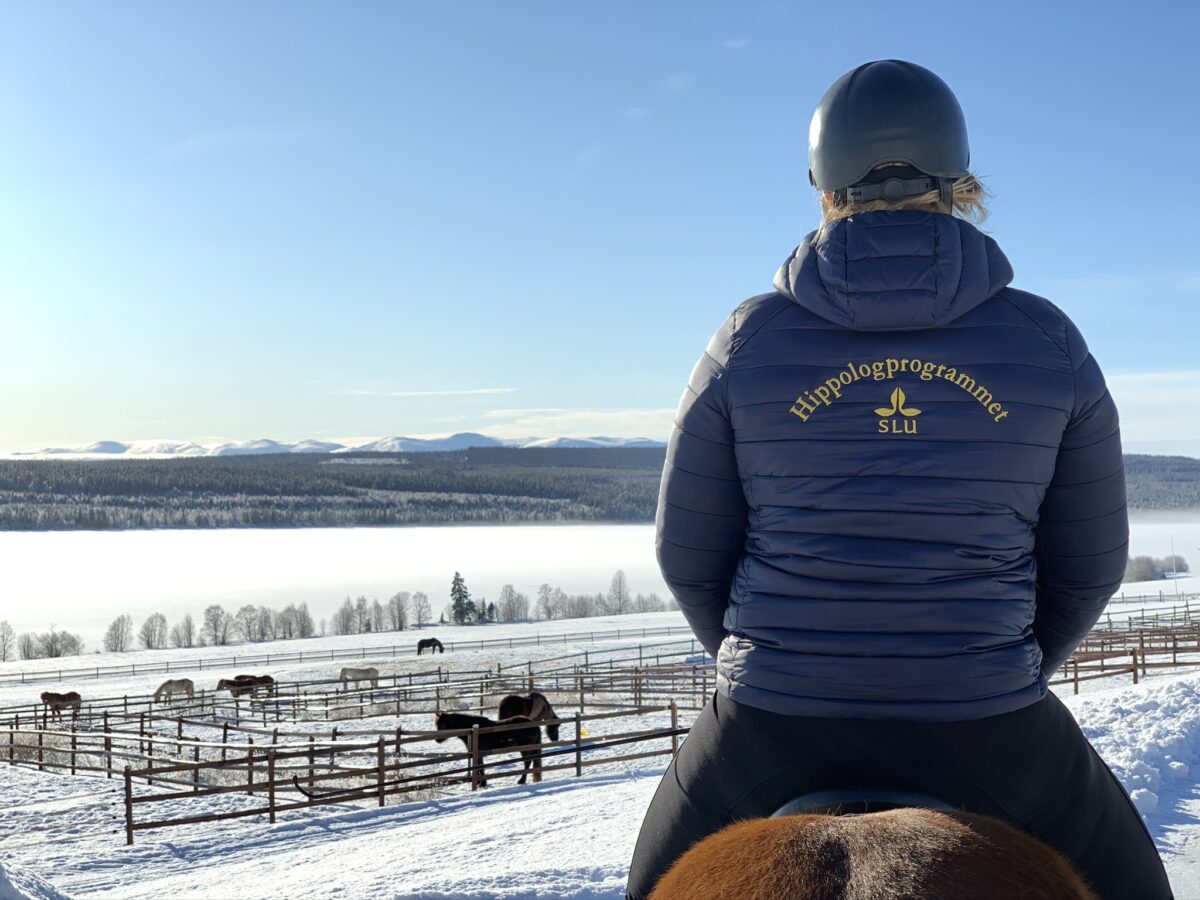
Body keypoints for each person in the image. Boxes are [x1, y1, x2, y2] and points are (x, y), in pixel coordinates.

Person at [626, 59, 1173, 900]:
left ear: (823, 183)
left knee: (653, 882)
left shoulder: (747, 339)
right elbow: (1091, 561)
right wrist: (1007, 665)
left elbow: (686, 551)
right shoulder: (1048, 341)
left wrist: (772, 661)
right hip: (987, 721)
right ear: (956, 178)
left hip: (771, 721)